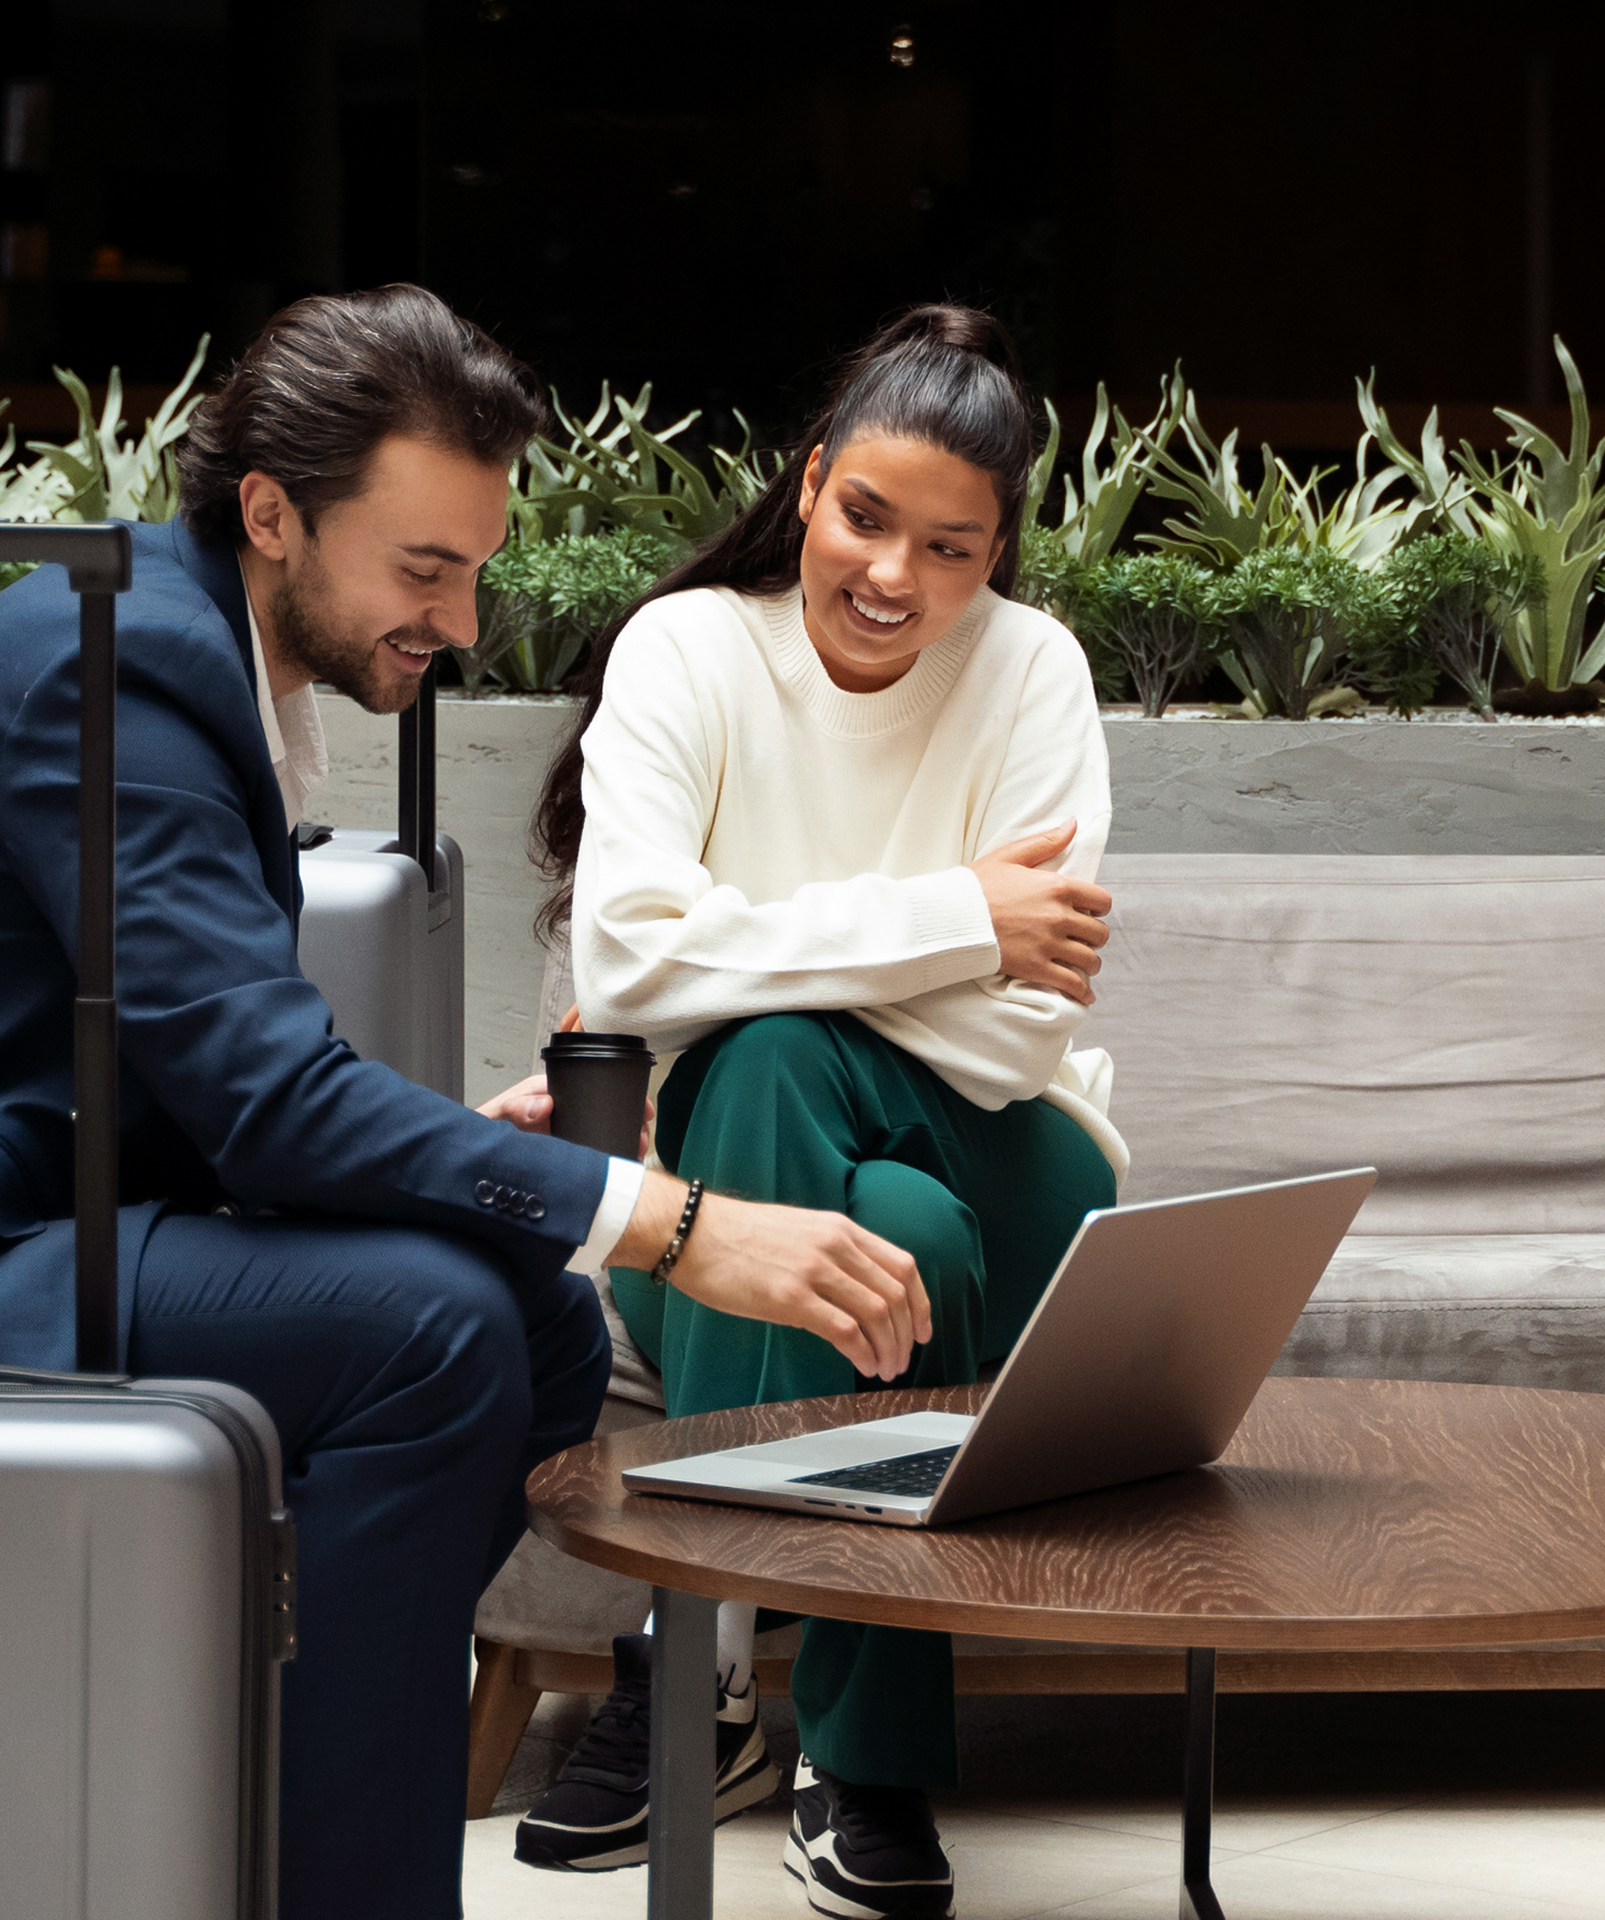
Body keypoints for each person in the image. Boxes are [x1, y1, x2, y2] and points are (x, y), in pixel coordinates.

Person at [0, 284, 943, 1920]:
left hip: (28, 1218)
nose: (463, 622)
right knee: (435, 1331)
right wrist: (673, 1224)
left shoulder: (197, 649)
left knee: (536, 1329)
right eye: (425, 570)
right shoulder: (115, 666)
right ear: (271, 512)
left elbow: (213, 1075)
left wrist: (485, 1168)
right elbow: (264, 1102)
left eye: (474, 569)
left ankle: (256, 1784)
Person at [514, 305, 1125, 1918]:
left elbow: (1015, 1036)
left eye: (954, 547)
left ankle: (693, 1666)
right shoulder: (692, 652)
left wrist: (739, 959)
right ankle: (866, 1758)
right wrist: (958, 915)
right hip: (732, 1192)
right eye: (867, 517)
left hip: (1023, 1166)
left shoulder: (1033, 673)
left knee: (780, 1053)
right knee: (871, 1200)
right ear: (807, 487)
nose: (895, 578)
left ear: (998, 553)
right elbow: (627, 954)